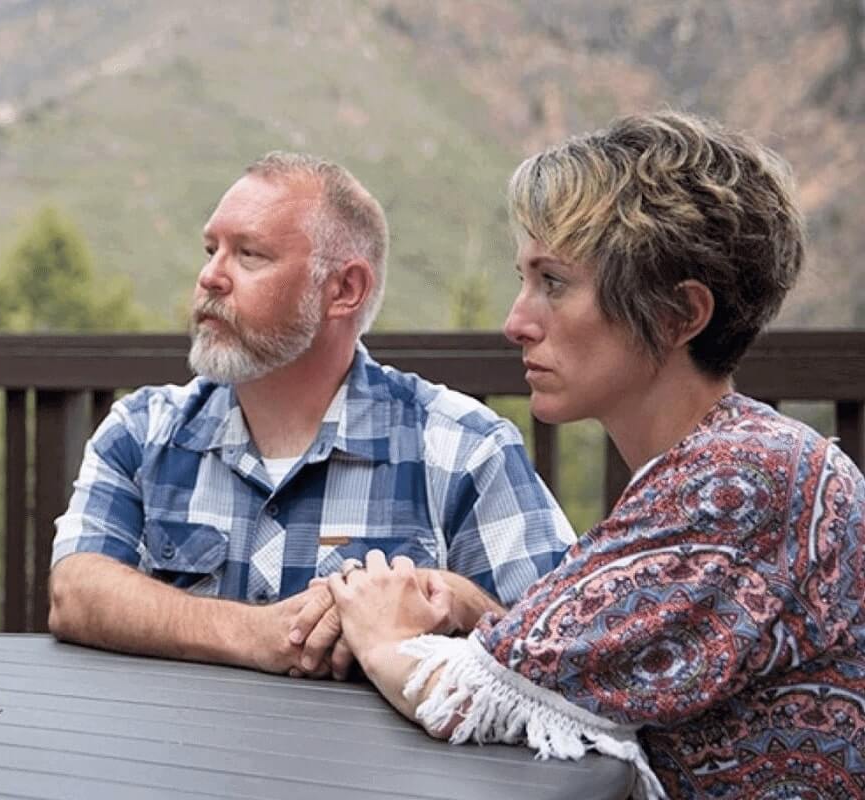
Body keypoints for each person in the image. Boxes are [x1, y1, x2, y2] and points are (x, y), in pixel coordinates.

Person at [321, 110, 864, 799]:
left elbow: (466, 697)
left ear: (678, 314)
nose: (516, 322)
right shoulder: (720, 463)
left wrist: (379, 630)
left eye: (553, 282)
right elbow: (584, 671)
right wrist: (480, 613)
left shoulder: (744, 483)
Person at [48, 152, 576, 678]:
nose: (210, 277)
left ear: (344, 290)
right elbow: (75, 591)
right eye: (211, 250)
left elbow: (566, 651)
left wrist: (456, 600)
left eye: (249, 255)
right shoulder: (142, 432)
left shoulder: (464, 449)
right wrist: (254, 634)